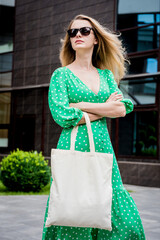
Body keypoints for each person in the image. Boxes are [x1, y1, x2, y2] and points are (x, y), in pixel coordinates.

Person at [42, 14, 146, 240]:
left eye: (84, 31)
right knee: (74, 206)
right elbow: (63, 115)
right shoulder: (61, 75)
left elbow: (121, 109)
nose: (77, 35)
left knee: (121, 215)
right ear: (69, 40)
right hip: (74, 145)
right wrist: (103, 107)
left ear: (96, 38)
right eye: (73, 32)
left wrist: (80, 105)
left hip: (102, 147)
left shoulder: (106, 76)